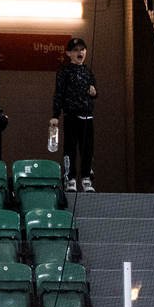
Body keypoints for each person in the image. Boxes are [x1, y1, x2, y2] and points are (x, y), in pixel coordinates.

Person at [51, 36, 97, 193]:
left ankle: (86, 178)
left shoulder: (88, 72)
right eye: (76, 50)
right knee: (70, 148)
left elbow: (94, 92)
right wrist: (55, 115)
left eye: (82, 50)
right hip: (71, 115)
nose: (80, 52)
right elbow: (59, 94)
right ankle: (69, 178)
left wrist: (93, 92)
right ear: (68, 53)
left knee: (87, 149)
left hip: (87, 116)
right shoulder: (64, 72)